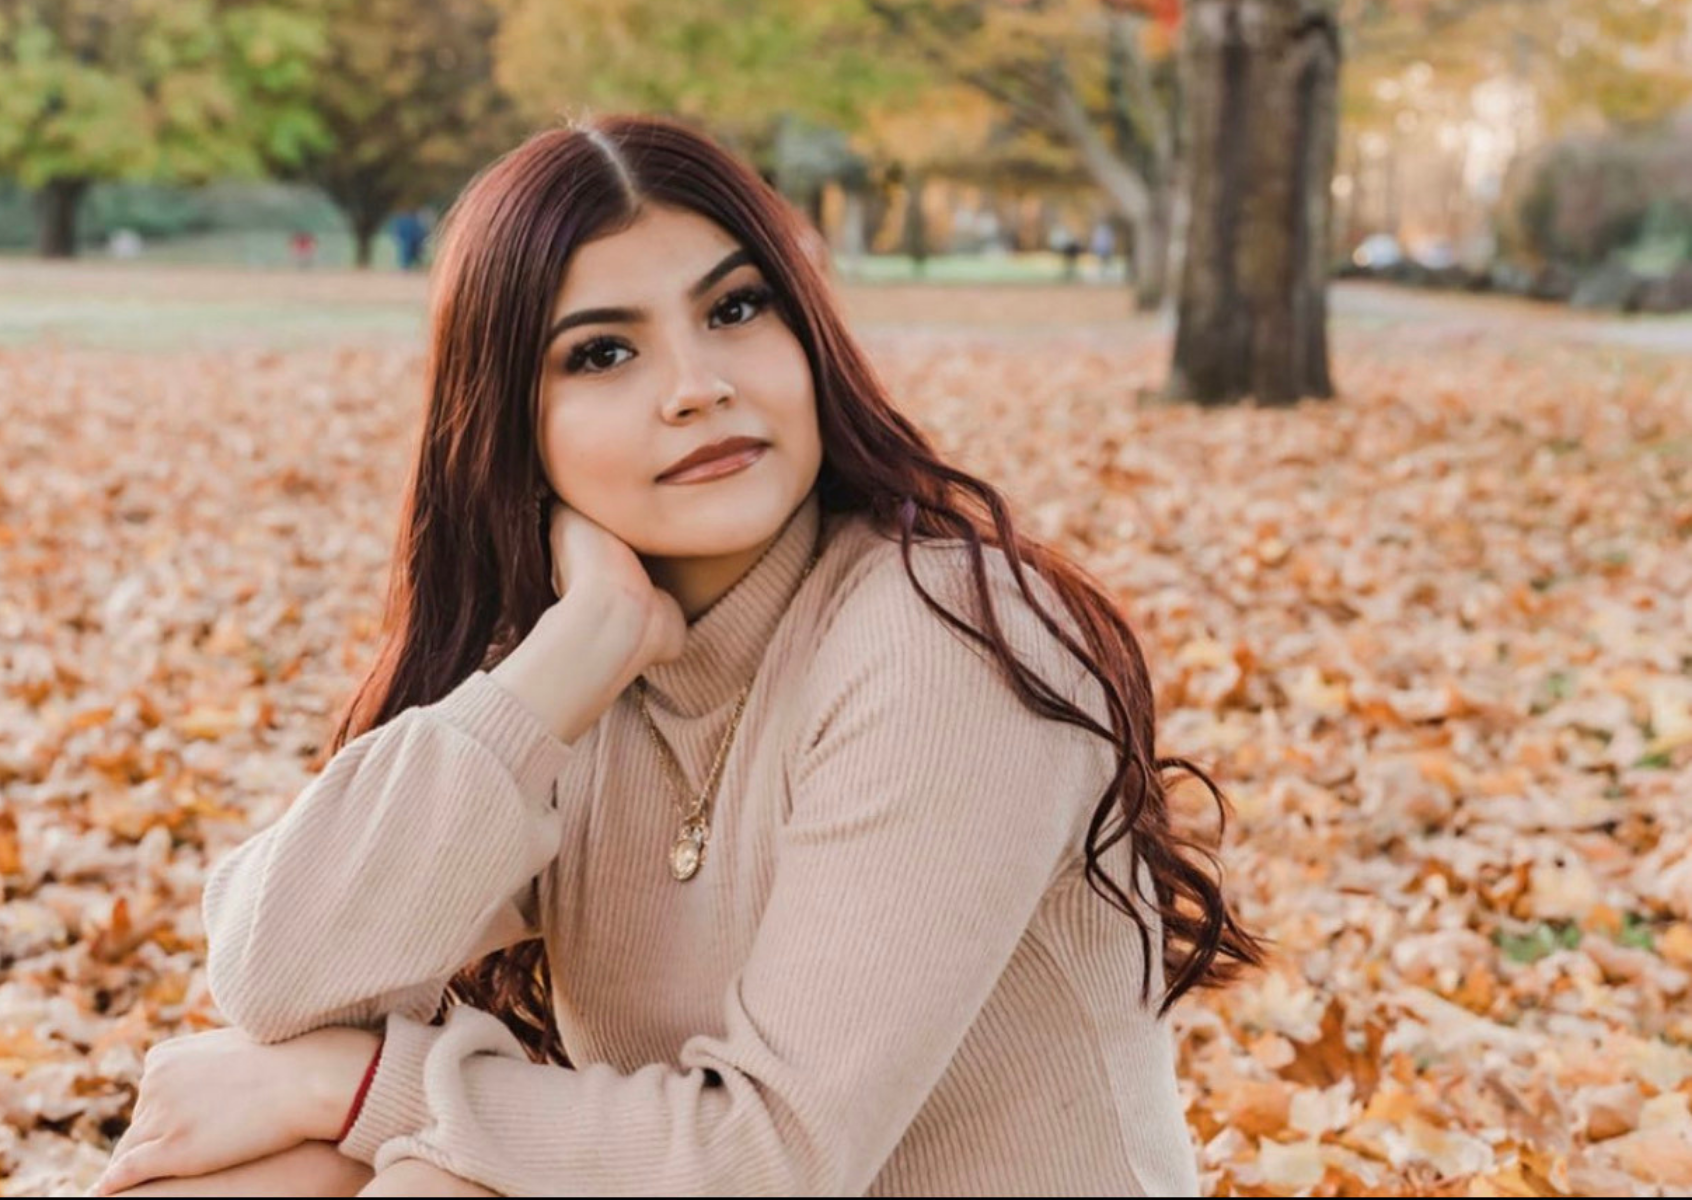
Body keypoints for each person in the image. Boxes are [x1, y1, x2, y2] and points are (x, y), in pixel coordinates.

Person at [90, 114, 1262, 1199]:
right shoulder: (582, 672)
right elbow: (278, 975)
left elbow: (774, 1153)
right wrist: (573, 656)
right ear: (513, 428)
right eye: (603, 355)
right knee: (268, 1174)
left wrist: (349, 1091)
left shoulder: (946, 637)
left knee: (419, 1173)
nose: (699, 388)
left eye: (736, 310)